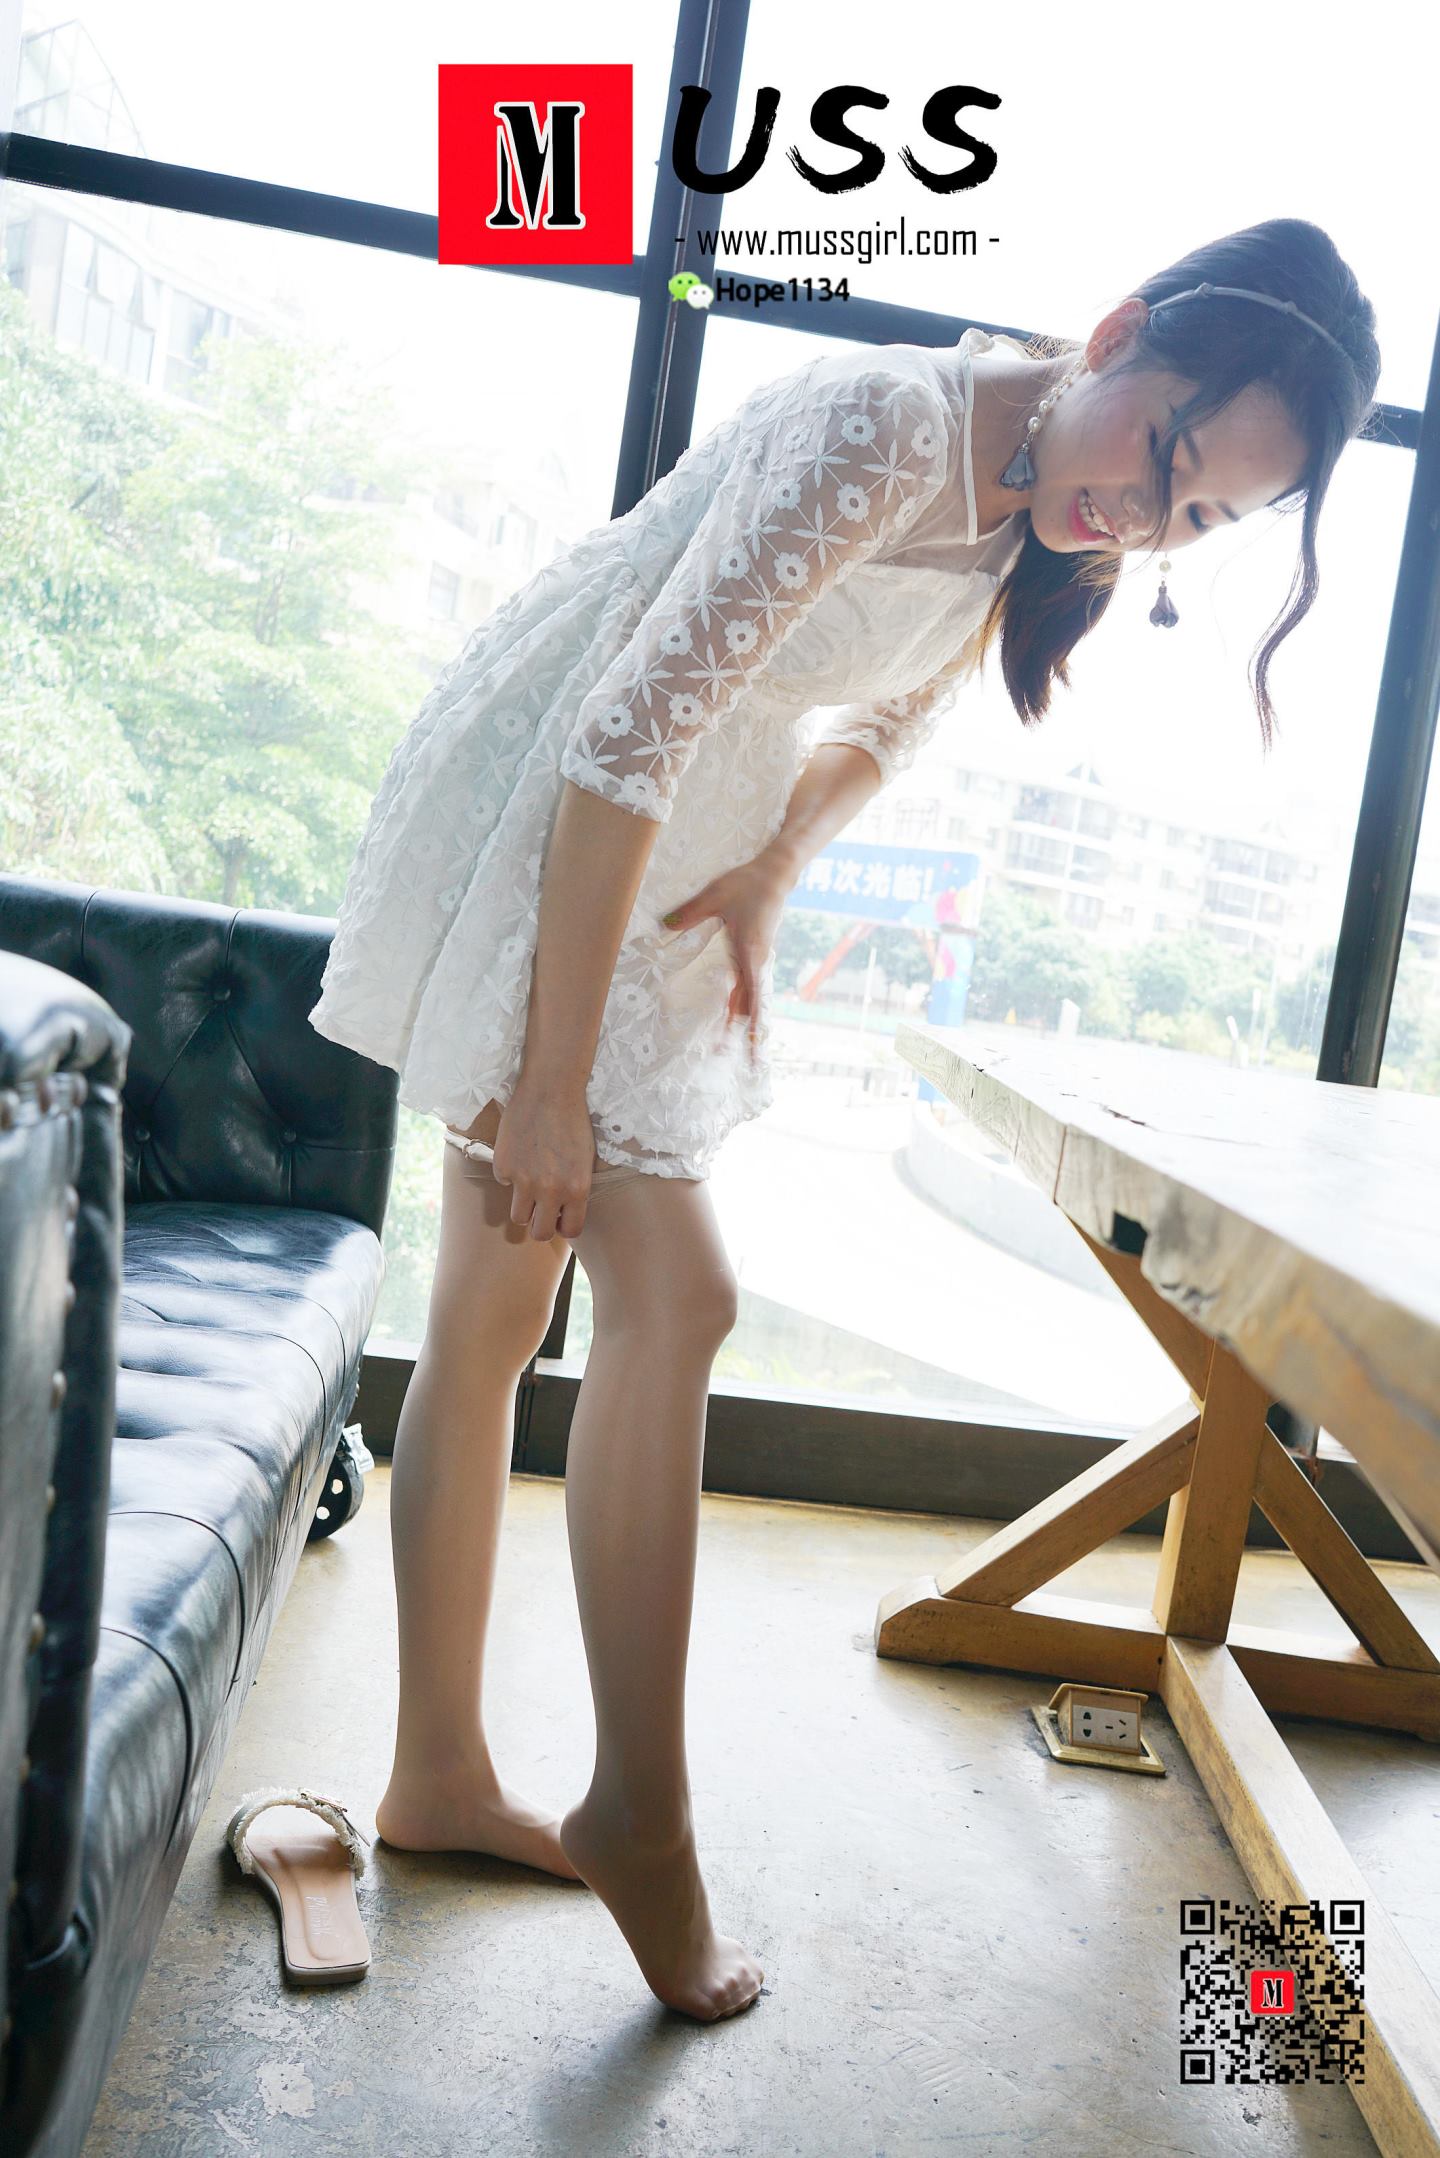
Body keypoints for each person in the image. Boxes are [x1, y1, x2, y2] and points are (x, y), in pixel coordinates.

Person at [306, 216, 1378, 2023]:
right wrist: (551, 1076)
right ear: (1120, 328)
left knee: (489, 1311)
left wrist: (773, 873)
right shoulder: (892, 425)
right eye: (1168, 455)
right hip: (568, 800)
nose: (1144, 519)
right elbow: (626, 726)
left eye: (1199, 518)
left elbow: (894, 714)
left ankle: (435, 1778)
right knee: (679, 1295)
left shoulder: (1047, 509)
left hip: (676, 829)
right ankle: (643, 1816)